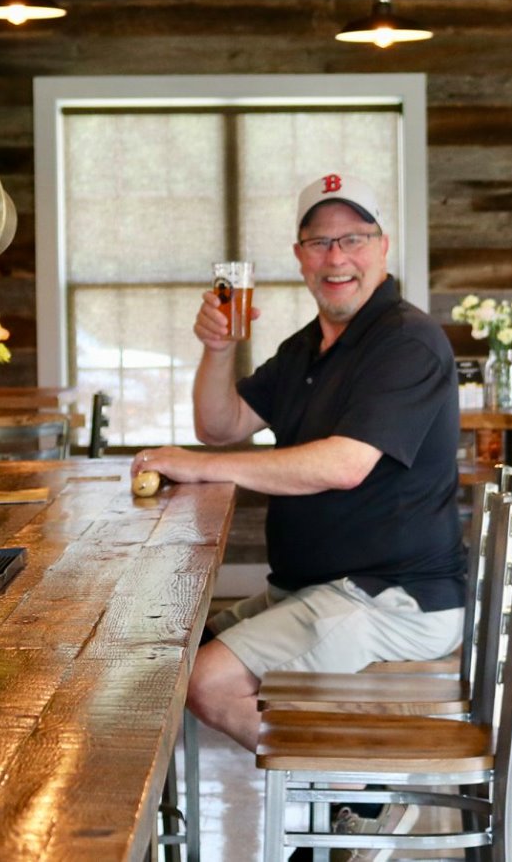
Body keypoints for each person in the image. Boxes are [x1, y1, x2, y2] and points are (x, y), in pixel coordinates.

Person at [135, 172, 466, 751]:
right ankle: (331, 781)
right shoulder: (307, 347)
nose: (336, 258)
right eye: (320, 243)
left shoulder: (405, 342)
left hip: (393, 599)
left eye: (354, 239)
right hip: (317, 589)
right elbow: (220, 425)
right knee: (174, 655)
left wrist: (201, 465)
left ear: (383, 247)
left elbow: (345, 465)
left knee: (209, 683)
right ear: (299, 256)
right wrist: (218, 350)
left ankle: (360, 788)